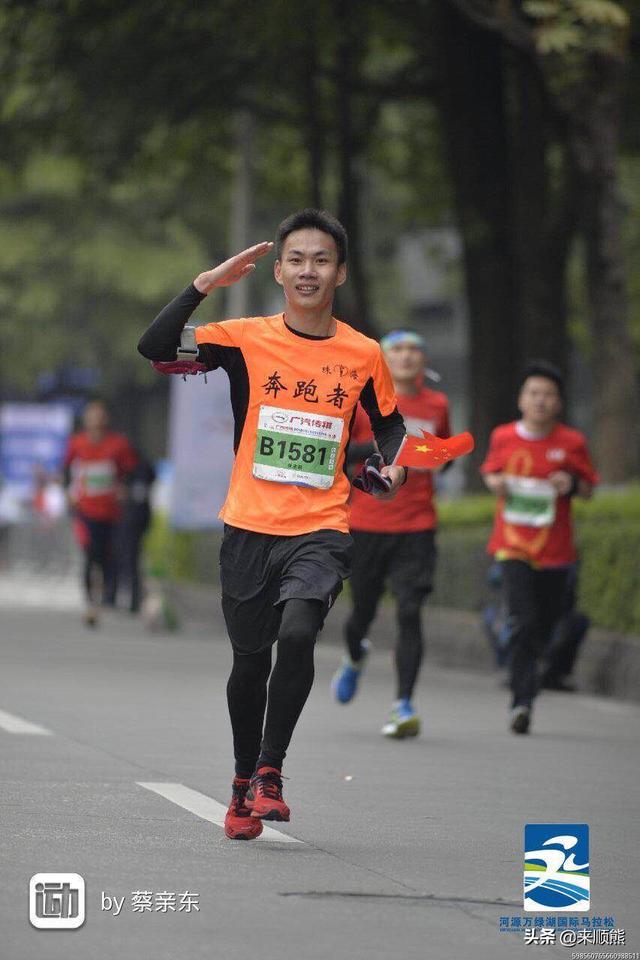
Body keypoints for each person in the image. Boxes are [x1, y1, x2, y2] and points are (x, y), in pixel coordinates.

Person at [137, 209, 407, 840]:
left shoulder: (363, 353)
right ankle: (240, 782)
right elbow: (155, 347)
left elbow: (390, 426)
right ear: (280, 271)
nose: (309, 271)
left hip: (322, 525)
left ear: (340, 273)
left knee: (301, 629)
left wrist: (393, 467)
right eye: (297, 260)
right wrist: (204, 284)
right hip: (249, 526)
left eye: (322, 260)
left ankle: (270, 771)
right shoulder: (243, 339)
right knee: (250, 662)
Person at [331, 330, 450, 738]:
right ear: (382, 359)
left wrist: (437, 453)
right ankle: (354, 655)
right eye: (397, 349)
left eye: (415, 349)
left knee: (410, 610)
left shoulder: (438, 405)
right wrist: (384, 450)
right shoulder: (363, 400)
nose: (406, 356)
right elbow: (341, 452)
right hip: (368, 522)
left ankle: (403, 704)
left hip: (417, 525)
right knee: (361, 612)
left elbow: (444, 455)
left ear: (424, 360)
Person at [480, 361, 598, 734]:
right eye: (534, 393)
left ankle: (528, 680)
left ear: (559, 402)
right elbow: (490, 472)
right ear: (521, 399)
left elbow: (589, 489)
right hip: (512, 547)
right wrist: (497, 483)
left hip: (556, 553)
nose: (540, 400)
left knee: (543, 627)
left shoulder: (572, 443)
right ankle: (522, 701)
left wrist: (571, 484)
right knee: (523, 621)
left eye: (548, 394)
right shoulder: (503, 436)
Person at [64, 400, 138, 627]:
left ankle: (108, 595)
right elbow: (65, 470)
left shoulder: (118, 444)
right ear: (86, 420)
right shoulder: (77, 443)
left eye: (100, 415)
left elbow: (131, 470)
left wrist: (124, 487)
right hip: (85, 510)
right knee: (89, 553)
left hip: (111, 512)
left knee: (109, 555)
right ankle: (90, 600)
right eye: (92, 416)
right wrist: (68, 493)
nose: (96, 420)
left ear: (106, 419)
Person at [115, 454, 156, 613]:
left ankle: (133, 599)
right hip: (140, 519)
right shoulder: (143, 469)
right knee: (132, 559)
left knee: (129, 559)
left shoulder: (131, 471)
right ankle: (134, 599)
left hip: (131, 521)